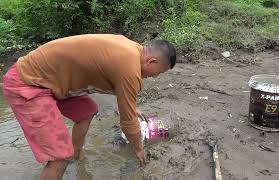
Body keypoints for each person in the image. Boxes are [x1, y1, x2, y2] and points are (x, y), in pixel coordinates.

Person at [2, 34, 176, 180]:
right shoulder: (130, 67)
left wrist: (132, 105)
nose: (155, 77)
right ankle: (65, 159)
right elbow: (128, 121)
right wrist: (139, 148)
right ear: (151, 61)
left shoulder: (132, 51)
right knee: (59, 157)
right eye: (159, 73)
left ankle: (76, 155)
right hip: (27, 83)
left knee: (87, 111)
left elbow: (117, 80)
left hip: (49, 80)